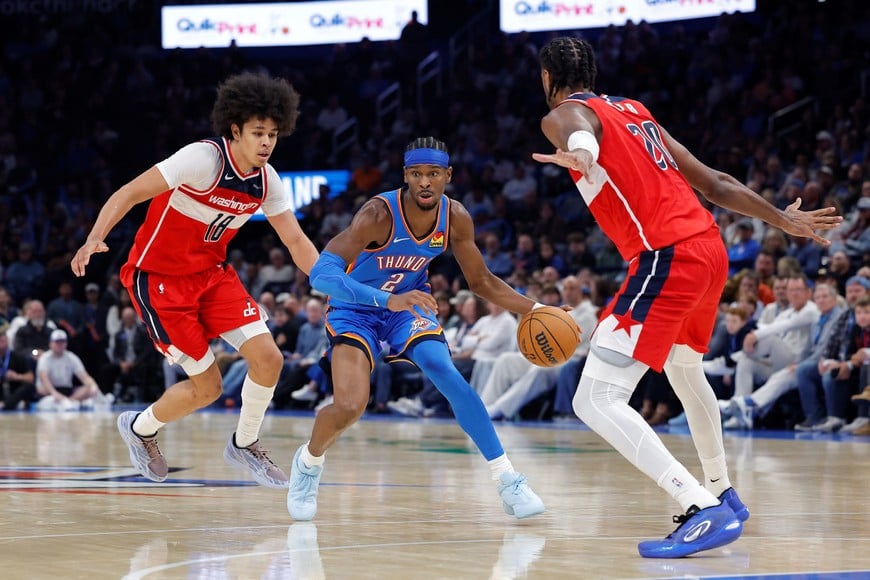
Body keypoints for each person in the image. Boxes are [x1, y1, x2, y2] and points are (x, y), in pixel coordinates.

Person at [532, 37, 841, 558]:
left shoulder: (563, 114)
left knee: (595, 398)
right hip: (709, 249)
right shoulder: (636, 111)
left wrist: (581, 154)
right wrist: (780, 219)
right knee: (684, 368)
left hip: (665, 256)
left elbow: (578, 131)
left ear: (547, 78)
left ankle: (698, 506)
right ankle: (722, 491)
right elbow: (714, 182)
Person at [70, 72, 319, 488]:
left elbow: (295, 240)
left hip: (211, 277)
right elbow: (129, 192)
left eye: (273, 135)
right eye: (258, 133)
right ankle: (141, 428)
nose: (266, 143)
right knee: (208, 388)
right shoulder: (203, 159)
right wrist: (94, 237)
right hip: (160, 281)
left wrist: (334, 284)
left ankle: (245, 442)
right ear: (235, 130)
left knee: (270, 358)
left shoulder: (266, 181)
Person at [286, 136, 547, 522]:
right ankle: (308, 463)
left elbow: (481, 281)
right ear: (406, 176)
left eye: (434, 174)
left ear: (448, 176)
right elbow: (321, 275)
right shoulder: (378, 214)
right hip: (355, 310)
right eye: (417, 174)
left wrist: (537, 309)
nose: (425, 182)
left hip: (407, 307)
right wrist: (386, 299)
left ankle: (507, 478)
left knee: (444, 369)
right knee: (349, 406)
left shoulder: (455, 217)